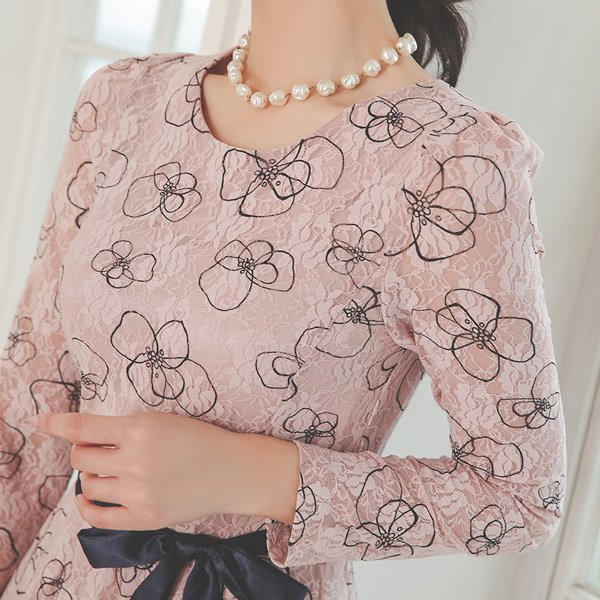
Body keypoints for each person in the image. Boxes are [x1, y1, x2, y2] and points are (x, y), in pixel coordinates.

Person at [0, 0, 568, 599]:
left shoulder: (455, 162)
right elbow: (26, 409)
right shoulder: (124, 98)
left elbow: (522, 496)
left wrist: (251, 475)